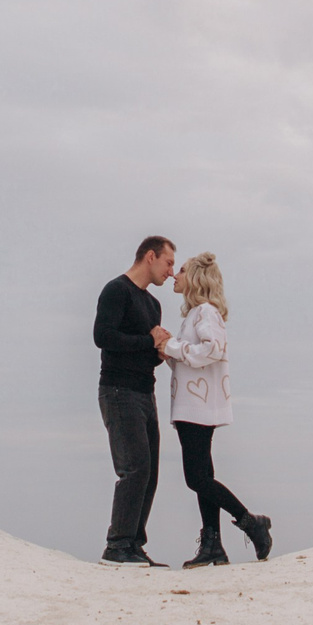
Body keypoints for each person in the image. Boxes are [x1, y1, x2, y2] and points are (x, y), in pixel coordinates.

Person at [158, 251, 272, 566]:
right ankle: (213, 545)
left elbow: (212, 349)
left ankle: (251, 522)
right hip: (191, 405)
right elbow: (191, 362)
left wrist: (170, 347)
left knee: (196, 478)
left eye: (180, 270)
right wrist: (167, 350)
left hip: (197, 407)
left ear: (194, 277)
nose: (174, 276)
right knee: (204, 475)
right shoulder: (194, 315)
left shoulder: (205, 312)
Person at [93, 236, 177, 566]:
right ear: (150, 257)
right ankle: (116, 546)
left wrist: (160, 350)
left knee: (151, 471)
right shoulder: (117, 290)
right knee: (135, 468)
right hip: (117, 391)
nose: (171, 272)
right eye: (168, 263)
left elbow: (144, 353)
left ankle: (134, 545)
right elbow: (103, 337)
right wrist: (148, 340)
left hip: (145, 391)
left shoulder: (153, 305)